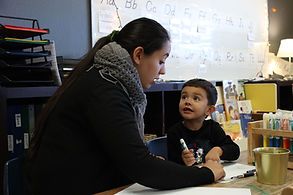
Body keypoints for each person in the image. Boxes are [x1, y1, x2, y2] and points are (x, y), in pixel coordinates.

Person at [25, 18, 225, 195]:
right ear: (138, 55)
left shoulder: (105, 80)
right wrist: (206, 173)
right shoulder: (105, 89)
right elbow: (140, 167)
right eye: (161, 61)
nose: (163, 71)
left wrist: (149, 163)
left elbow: (129, 157)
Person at [167, 78, 240, 166]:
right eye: (184, 97)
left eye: (196, 98)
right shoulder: (174, 132)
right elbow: (171, 165)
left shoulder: (213, 127)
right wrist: (183, 160)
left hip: (212, 175)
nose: (187, 102)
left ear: (209, 110)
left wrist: (218, 150)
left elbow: (235, 151)